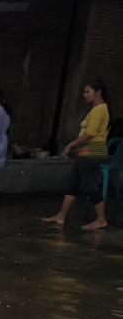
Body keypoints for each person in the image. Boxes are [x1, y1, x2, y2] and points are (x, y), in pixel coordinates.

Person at [41, 80, 111, 230]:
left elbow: (90, 134)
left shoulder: (99, 110)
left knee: (89, 186)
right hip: (88, 151)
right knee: (72, 183)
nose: (84, 95)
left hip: (93, 150)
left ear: (98, 93)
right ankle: (61, 216)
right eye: (84, 92)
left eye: (88, 92)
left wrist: (70, 145)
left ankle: (101, 219)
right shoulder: (97, 109)